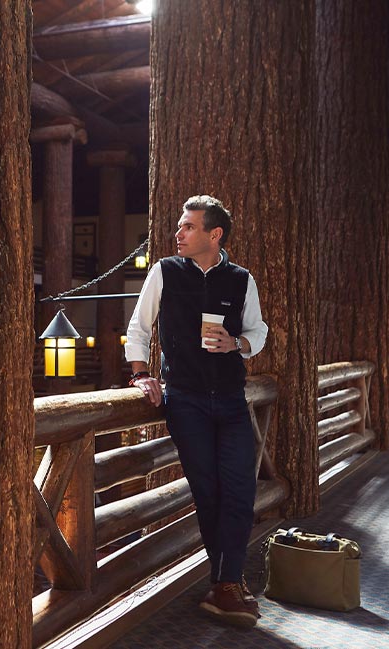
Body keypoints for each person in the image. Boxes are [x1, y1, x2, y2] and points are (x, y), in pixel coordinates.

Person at [125, 195, 268, 628]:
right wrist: (139, 375)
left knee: (240, 491)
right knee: (208, 492)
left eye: (188, 226)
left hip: (231, 399)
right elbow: (139, 326)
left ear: (214, 234)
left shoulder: (241, 279)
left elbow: (257, 331)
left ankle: (225, 583)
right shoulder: (164, 271)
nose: (178, 233)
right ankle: (227, 586)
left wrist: (237, 345)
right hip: (184, 400)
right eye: (180, 226)